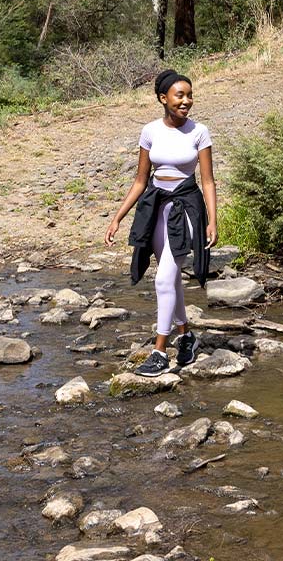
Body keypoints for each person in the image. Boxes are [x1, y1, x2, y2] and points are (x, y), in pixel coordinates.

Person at [105, 69, 218, 376]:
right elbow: (141, 180)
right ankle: (187, 336)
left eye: (189, 95)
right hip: (156, 208)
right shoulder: (150, 131)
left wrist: (213, 221)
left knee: (164, 278)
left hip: (187, 209)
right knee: (169, 278)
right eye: (180, 95)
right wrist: (118, 217)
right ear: (163, 98)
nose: (186, 101)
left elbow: (207, 181)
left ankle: (159, 351)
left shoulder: (199, 132)